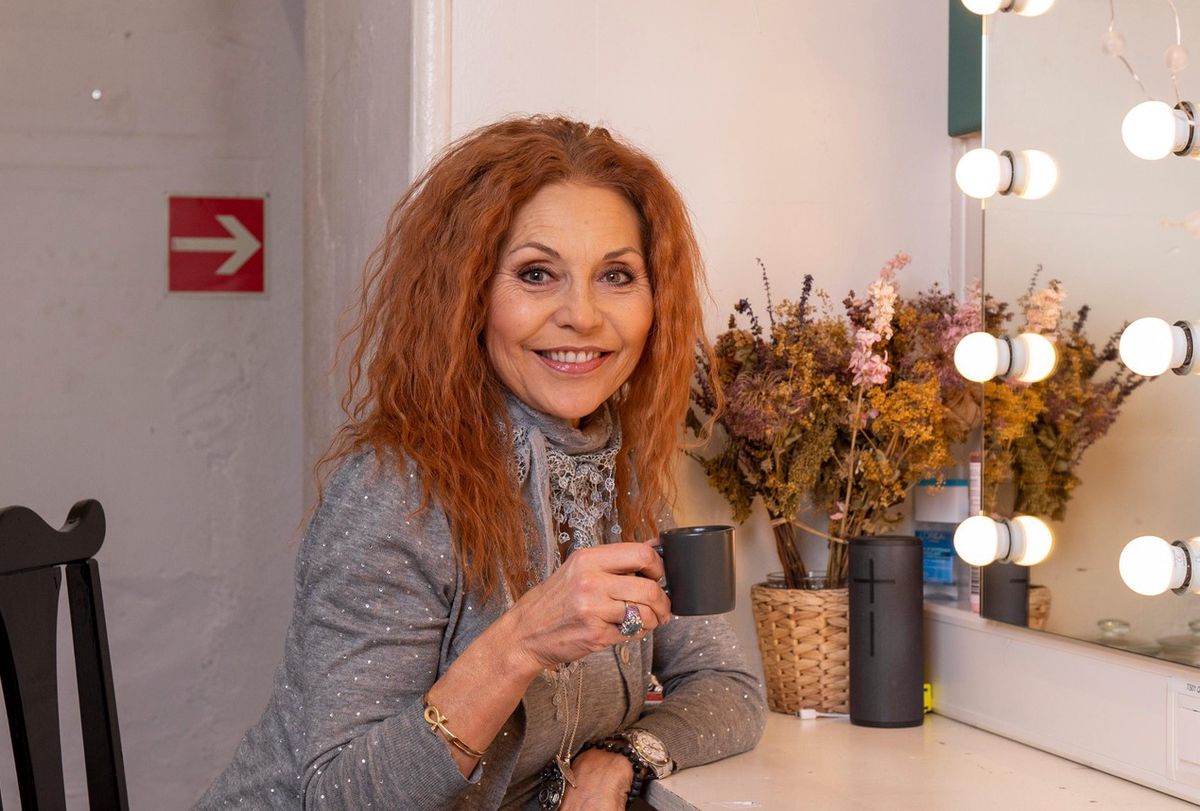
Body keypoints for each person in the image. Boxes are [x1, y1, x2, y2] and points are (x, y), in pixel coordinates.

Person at [196, 115, 766, 810]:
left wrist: (619, 757)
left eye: (617, 275)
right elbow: (340, 794)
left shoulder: (628, 473)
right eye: (536, 274)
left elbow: (726, 685)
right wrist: (520, 642)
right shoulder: (394, 491)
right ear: (468, 295)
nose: (582, 315)